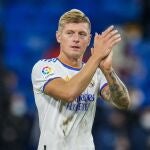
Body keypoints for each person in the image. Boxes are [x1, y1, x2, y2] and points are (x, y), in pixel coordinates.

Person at [31, 9, 130, 150]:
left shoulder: (96, 72)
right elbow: (68, 93)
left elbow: (123, 102)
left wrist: (108, 71)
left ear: (89, 40)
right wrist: (96, 58)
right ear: (59, 36)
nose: (76, 39)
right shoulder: (43, 68)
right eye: (70, 33)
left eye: (82, 34)